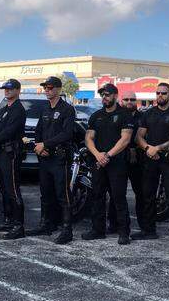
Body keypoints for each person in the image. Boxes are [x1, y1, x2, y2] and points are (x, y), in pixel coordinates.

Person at [75, 83, 135, 245]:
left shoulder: (125, 115)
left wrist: (107, 155)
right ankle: (98, 230)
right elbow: (89, 138)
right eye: (102, 95)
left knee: (118, 198)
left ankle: (124, 232)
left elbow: (125, 139)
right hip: (99, 162)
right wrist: (97, 155)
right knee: (97, 197)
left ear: (115, 96)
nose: (104, 97)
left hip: (117, 163)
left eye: (107, 94)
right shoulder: (96, 116)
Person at [134, 82, 169, 246]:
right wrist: (149, 148)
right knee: (148, 195)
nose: (160, 96)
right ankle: (149, 230)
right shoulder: (148, 113)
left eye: (163, 93)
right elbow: (139, 136)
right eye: (157, 93)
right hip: (151, 158)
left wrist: (158, 148)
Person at [32, 77, 77, 241]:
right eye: (45, 87)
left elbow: (66, 134)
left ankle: (67, 230)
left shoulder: (67, 109)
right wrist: (39, 147)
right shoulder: (45, 109)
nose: (47, 90)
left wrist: (46, 145)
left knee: (62, 194)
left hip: (59, 158)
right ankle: (46, 224)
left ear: (58, 89)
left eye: (50, 88)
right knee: (45, 193)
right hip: (44, 158)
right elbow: (38, 131)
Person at [0, 79, 27, 239]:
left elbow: (9, 132)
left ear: (17, 90)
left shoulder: (18, 110)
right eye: (5, 89)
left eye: (10, 89)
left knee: (13, 189)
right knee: (3, 188)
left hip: (11, 154)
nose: (7, 91)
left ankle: (18, 225)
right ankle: (8, 220)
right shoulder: (2, 110)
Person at [120, 90, 146, 234]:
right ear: (121, 101)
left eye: (132, 99)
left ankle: (144, 227)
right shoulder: (117, 116)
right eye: (126, 99)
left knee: (141, 194)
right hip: (119, 160)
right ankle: (116, 224)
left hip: (140, 160)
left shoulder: (144, 117)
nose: (129, 102)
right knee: (117, 194)